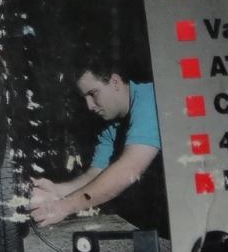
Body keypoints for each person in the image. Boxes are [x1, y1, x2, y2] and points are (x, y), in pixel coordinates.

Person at [28, 69, 163, 231]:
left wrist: (64, 206)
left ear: (115, 82)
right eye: (84, 98)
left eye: (93, 94)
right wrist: (57, 191)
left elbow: (128, 170)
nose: (89, 105)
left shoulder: (151, 99)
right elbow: (95, 174)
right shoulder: (111, 124)